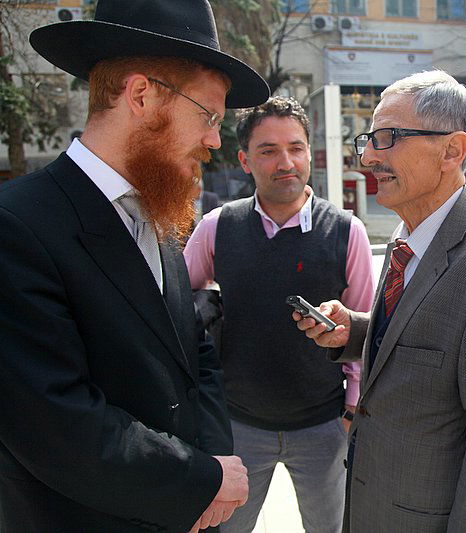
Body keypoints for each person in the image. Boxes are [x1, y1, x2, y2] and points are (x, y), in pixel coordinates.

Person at [0, 1, 270, 531]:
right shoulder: (19, 225)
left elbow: (196, 358)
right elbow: (56, 423)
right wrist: (199, 481)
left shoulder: (157, 212)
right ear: (142, 95)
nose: (216, 141)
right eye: (209, 116)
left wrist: (217, 473)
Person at [295, 71, 466, 532]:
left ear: (452, 150)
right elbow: (424, 340)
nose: (369, 157)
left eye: (389, 138)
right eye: (369, 139)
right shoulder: (407, 235)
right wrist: (355, 331)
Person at [183, 96, 375, 533]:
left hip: (325, 428)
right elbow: (178, 304)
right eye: (268, 150)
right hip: (237, 427)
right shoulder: (217, 227)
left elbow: (368, 327)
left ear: (310, 152)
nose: (285, 162)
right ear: (244, 160)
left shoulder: (347, 232)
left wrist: (351, 409)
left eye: (296, 147)